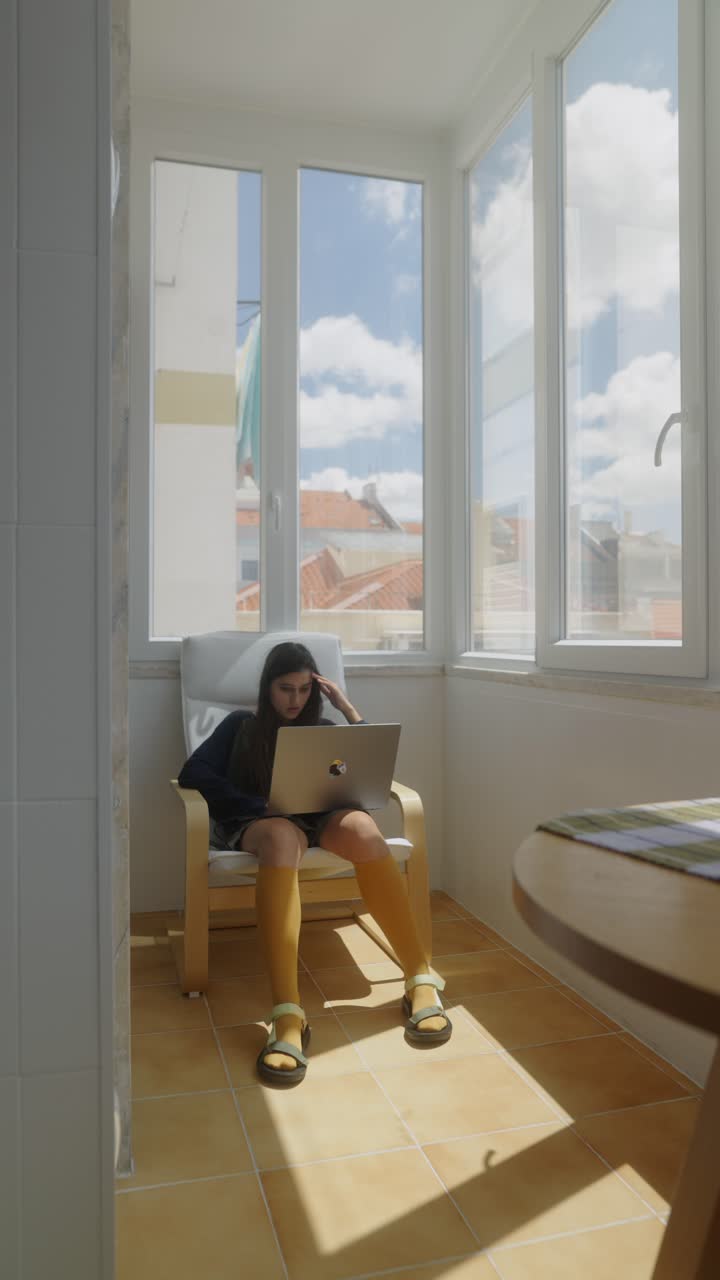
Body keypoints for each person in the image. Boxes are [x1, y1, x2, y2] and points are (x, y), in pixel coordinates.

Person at [178, 640, 451, 1085]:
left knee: (364, 830)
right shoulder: (239, 725)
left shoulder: (324, 730)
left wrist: (347, 709)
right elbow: (194, 773)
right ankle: (288, 1014)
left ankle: (419, 979)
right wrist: (256, 803)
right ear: (268, 688)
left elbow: (368, 776)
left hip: (318, 816)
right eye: (286, 689)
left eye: (305, 689)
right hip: (259, 823)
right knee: (284, 840)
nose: (296, 700)